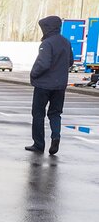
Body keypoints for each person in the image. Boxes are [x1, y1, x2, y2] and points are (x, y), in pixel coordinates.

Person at [26, 15, 74, 155]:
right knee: (55, 114)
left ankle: (39, 144)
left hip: (44, 85)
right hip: (60, 86)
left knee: (38, 114)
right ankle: (56, 137)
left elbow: (43, 64)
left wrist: (33, 74)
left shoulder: (47, 43)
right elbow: (70, 61)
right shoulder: (66, 42)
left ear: (47, 28)